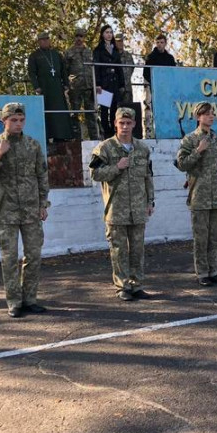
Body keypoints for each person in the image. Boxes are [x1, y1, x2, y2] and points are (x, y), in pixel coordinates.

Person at [0, 102, 50, 318]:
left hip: (30, 211)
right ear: (4, 121)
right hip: (7, 212)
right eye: (13, 120)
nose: (18, 124)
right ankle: (14, 302)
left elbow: (42, 176)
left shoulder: (33, 145)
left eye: (21, 120)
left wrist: (43, 204)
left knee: (33, 255)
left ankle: (29, 299)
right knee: (9, 259)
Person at [89, 107, 155, 301]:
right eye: (121, 123)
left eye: (128, 123)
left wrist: (150, 201)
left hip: (138, 208)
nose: (125, 127)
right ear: (116, 124)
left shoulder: (142, 149)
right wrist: (116, 167)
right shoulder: (105, 148)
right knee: (119, 250)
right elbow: (95, 174)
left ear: (134, 124)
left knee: (137, 249)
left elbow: (148, 177)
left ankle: (136, 285)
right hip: (116, 208)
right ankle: (122, 286)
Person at [175, 102, 217, 286]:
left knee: (215, 237)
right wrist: (198, 151)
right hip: (199, 195)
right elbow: (182, 164)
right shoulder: (190, 139)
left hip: (216, 196)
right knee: (201, 238)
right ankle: (202, 273)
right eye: (206, 114)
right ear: (198, 117)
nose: (210, 116)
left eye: (212, 113)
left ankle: (213, 270)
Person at [27, 31, 72, 141]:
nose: (45, 41)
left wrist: (66, 83)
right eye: (42, 39)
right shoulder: (34, 56)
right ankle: (46, 136)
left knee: (59, 110)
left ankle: (61, 136)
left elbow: (63, 71)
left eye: (47, 39)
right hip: (44, 86)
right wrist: (36, 86)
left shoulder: (56, 54)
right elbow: (32, 73)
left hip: (57, 86)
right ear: (39, 42)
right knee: (46, 111)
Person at [65, 27, 103, 140]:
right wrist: (66, 86)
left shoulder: (89, 52)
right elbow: (65, 70)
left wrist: (96, 84)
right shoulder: (69, 52)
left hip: (89, 87)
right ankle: (76, 139)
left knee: (91, 113)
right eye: (77, 36)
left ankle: (94, 138)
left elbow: (95, 69)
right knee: (75, 113)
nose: (78, 38)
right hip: (75, 87)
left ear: (84, 38)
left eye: (81, 36)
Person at [92, 24, 125, 139]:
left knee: (115, 108)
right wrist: (98, 84)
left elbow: (119, 67)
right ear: (102, 34)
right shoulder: (98, 50)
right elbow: (96, 68)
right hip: (104, 83)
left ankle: (115, 131)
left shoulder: (115, 49)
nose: (109, 34)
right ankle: (106, 131)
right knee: (105, 109)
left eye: (111, 32)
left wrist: (122, 84)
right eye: (107, 32)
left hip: (115, 83)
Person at [143, 34, 177, 138]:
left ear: (165, 43)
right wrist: (154, 82)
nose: (159, 45)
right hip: (154, 88)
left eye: (161, 42)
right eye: (157, 43)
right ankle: (150, 133)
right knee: (152, 109)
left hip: (166, 89)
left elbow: (173, 73)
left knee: (167, 109)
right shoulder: (151, 57)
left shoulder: (170, 58)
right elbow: (146, 73)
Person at [115, 32, 136, 106]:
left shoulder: (128, 55)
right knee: (115, 113)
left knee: (128, 111)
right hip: (116, 89)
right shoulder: (111, 55)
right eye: (118, 41)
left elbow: (132, 68)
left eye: (121, 41)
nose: (120, 43)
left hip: (127, 89)